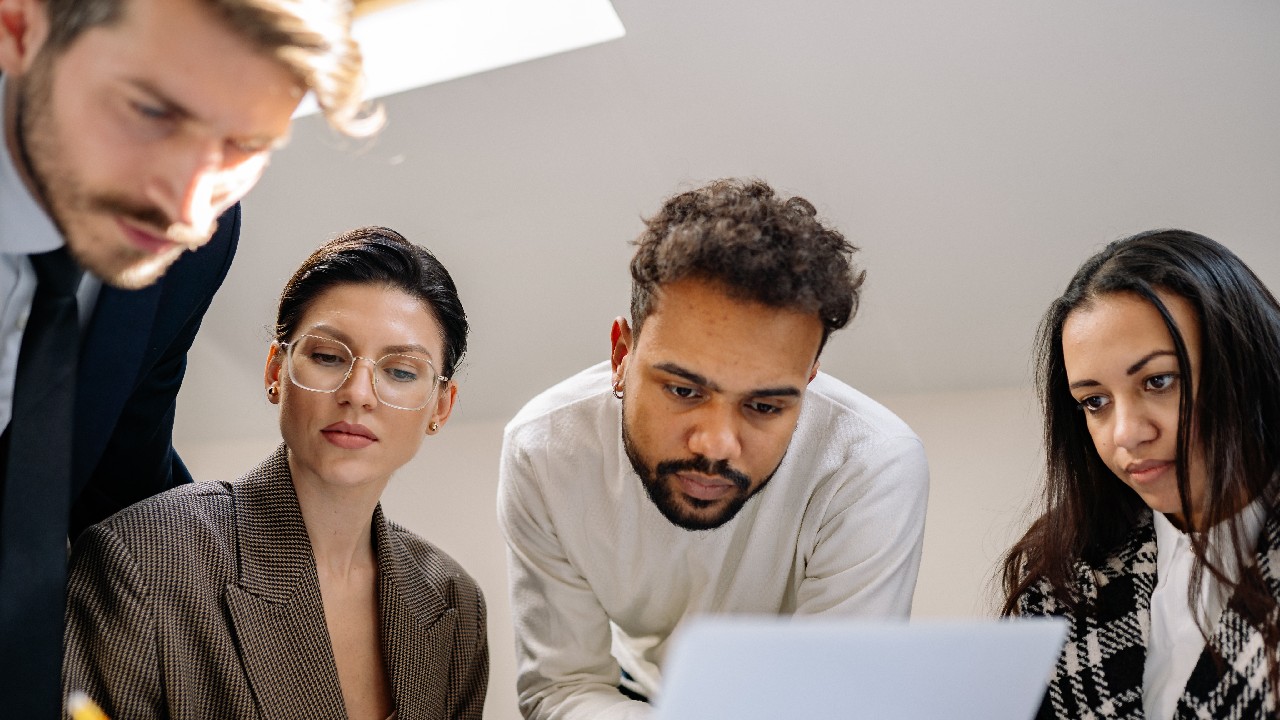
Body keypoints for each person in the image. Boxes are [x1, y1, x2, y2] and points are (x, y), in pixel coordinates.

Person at [0, 0, 378, 713]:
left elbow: (119, 464)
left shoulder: (198, 244)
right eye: (149, 112)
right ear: (21, 28)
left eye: (245, 143)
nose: (188, 203)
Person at [498, 178, 930, 719]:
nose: (716, 445)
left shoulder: (872, 464)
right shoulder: (546, 449)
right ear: (620, 355)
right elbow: (563, 688)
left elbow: (832, 703)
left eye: (765, 407)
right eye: (683, 391)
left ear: (810, 377)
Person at [63, 226, 488, 719]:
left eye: (400, 371)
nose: (359, 392)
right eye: (328, 357)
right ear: (275, 372)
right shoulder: (141, 559)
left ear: (441, 405)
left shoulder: (453, 602)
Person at [1001, 229, 1280, 719]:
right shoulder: (1064, 576)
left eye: (1159, 381)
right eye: (1095, 402)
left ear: (1245, 364)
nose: (1126, 434)